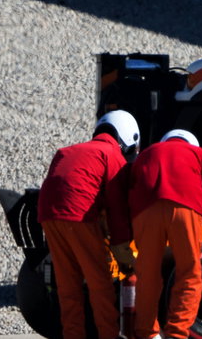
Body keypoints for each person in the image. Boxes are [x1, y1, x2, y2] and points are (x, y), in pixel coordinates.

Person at [38, 110, 140, 339]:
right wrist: (123, 252)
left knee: (68, 285)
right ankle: (109, 335)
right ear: (127, 138)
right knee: (100, 284)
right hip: (78, 215)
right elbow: (117, 210)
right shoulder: (111, 154)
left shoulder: (66, 151)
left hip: (48, 215)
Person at [127, 129, 202, 339]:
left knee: (147, 274)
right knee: (189, 273)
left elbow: (131, 186)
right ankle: (176, 333)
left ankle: (147, 333)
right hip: (186, 208)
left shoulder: (147, 153)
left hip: (146, 210)